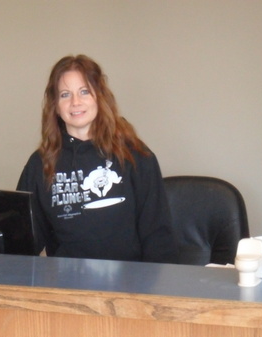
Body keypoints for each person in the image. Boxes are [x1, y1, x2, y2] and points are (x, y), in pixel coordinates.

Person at [17, 54, 179, 263]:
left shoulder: (135, 155)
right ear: (55, 105)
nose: (75, 102)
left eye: (84, 91)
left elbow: (158, 237)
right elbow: (22, 242)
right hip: (67, 280)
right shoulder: (40, 163)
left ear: (99, 97)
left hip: (130, 279)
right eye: (65, 95)